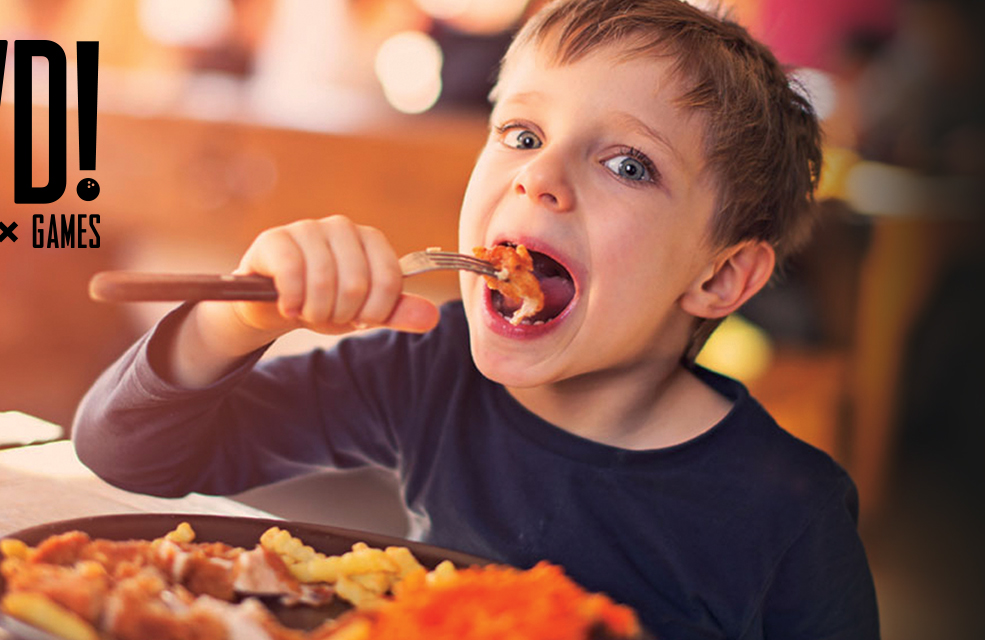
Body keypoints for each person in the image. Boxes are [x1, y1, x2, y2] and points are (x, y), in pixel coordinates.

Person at [72, 1, 879, 637]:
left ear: (720, 276)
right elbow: (126, 453)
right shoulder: (429, 368)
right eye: (522, 133)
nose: (539, 176)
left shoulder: (790, 514)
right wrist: (236, 324)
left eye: (628, 164)